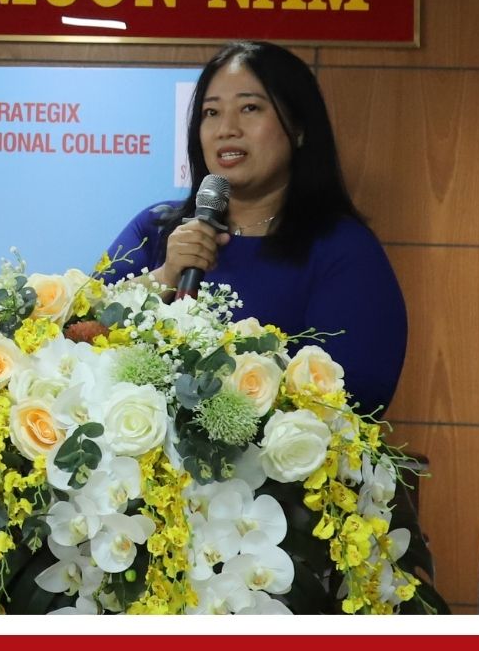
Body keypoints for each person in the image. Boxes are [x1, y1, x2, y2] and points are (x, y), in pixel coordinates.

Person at [106, 41, 407, 415]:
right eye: (211, 112)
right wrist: (165, 275)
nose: (226, 129)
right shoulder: (154, 228)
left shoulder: (343, 250)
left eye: (249, 108)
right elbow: (77, 335)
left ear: (298, 127)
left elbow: (358, 394)